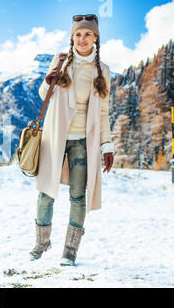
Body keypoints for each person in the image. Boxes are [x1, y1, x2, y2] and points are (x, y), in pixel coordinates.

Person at [30, 14, 115, 266]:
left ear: (95, 38)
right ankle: (41, 243)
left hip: (83, 140)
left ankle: (70, 250)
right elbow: (44, 95)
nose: (82, 39)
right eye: (78, 34)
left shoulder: (103, 70)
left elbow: (103, 111)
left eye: (87, 34)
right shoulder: (61, 60)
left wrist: (106, 145)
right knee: (46, 191)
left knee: (79, 196)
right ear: (72, 37)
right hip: (55, 136)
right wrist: (47, 82)